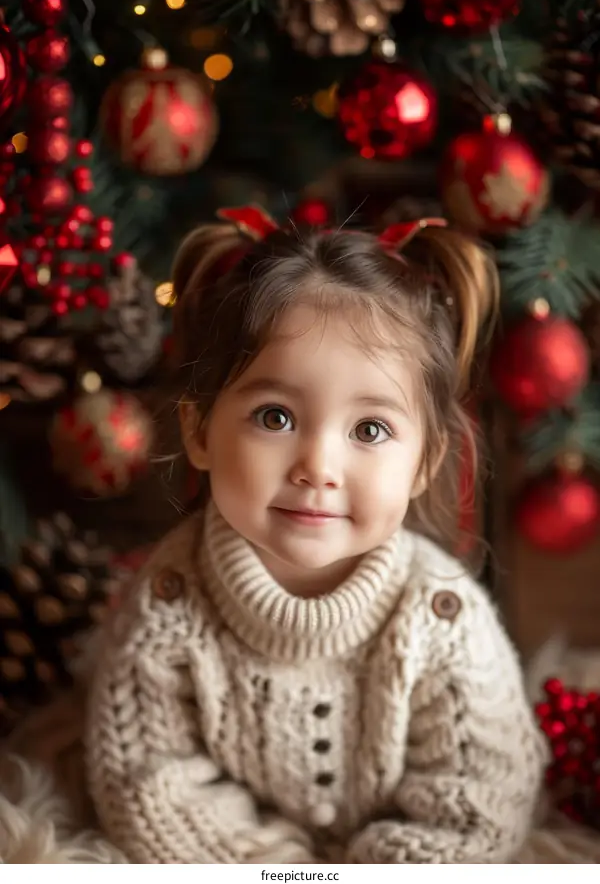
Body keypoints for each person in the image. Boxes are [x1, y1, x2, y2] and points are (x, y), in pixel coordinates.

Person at [84, 205, 547, 864]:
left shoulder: (442, 621)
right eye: (275, 417)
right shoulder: (166, 606)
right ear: (199, 432)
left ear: (424, 462)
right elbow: (147, 786)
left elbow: (481, 800)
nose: (319, 468)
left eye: (369, 430)